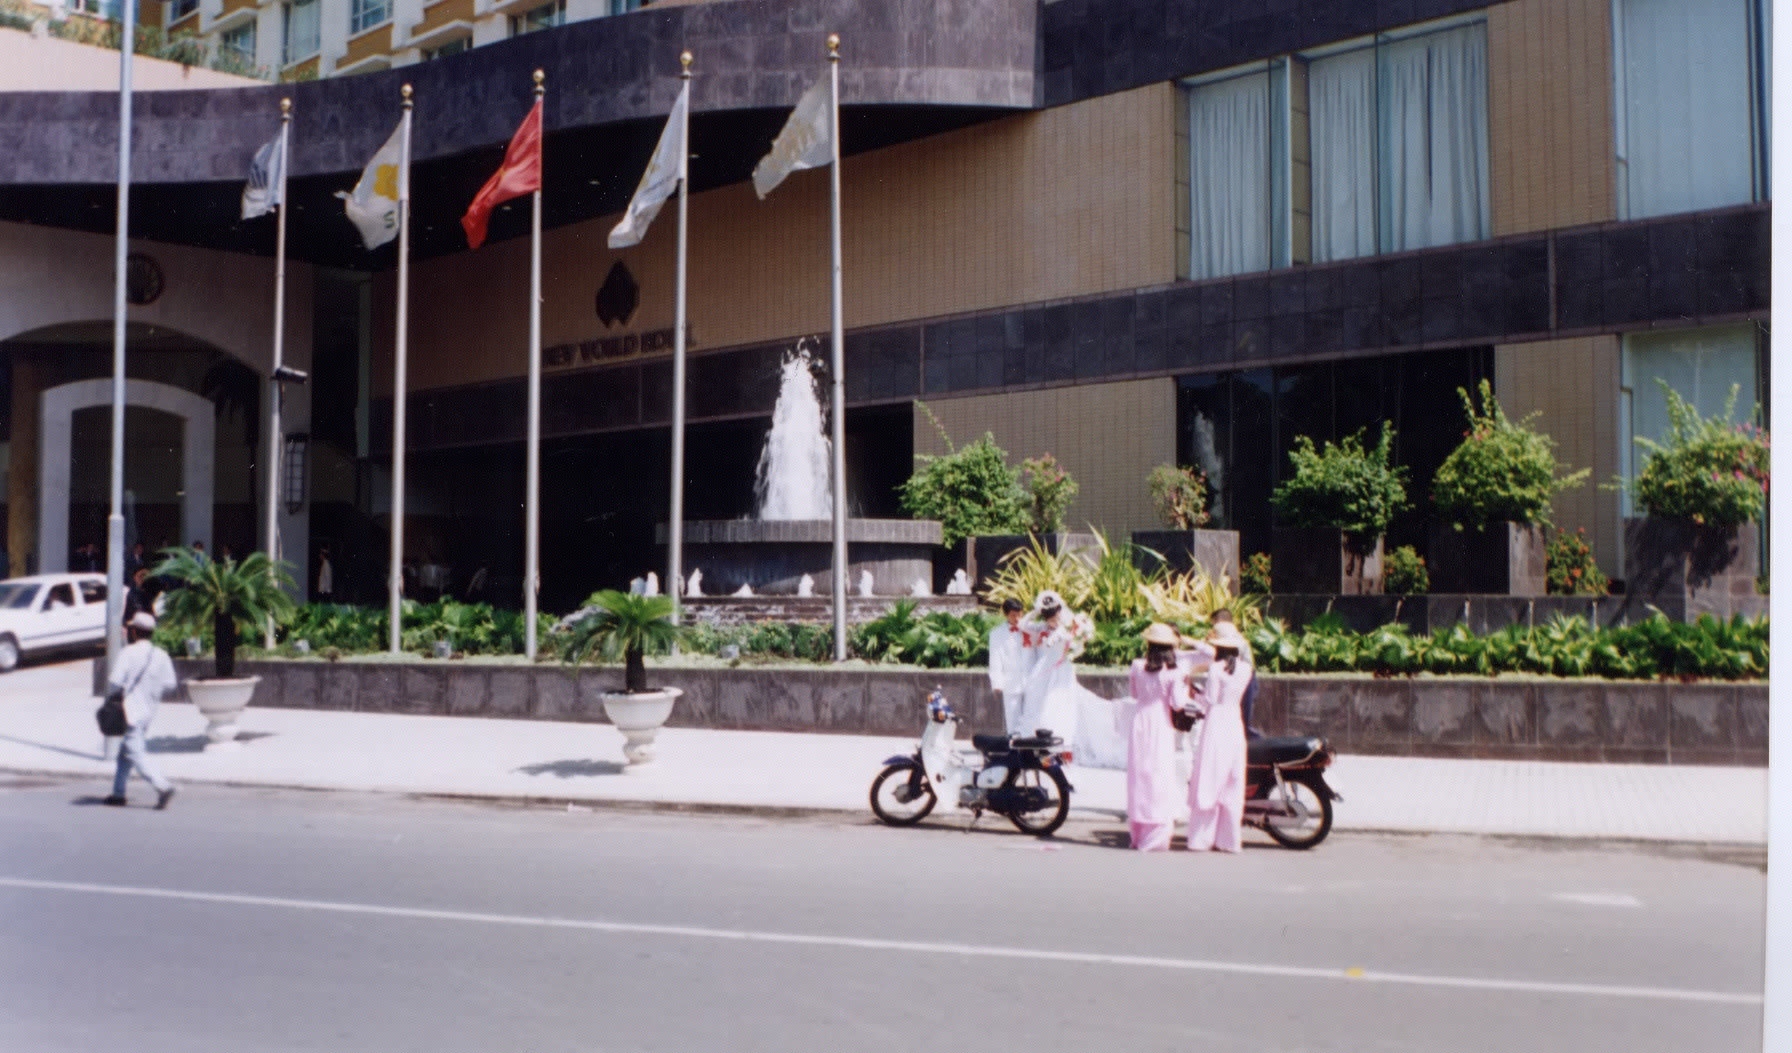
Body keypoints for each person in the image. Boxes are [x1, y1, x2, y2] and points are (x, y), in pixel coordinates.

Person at [1184, 622, 1251, 852]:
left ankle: (1202, 838)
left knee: (1209, 777)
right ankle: (1228, 839)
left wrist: (1195, 693)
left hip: (1216, 722)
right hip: (1234, 720)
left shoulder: (1215, 669)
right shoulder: (1245, 669)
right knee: (1231, 781)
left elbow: (1210, 699)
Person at [1125, 623, 1193, 852]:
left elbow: (1134, 694)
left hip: (1140, 721)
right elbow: (1178, 703)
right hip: (1161, 724)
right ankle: (1155, 834)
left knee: (1140, 776)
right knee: (1159, 776)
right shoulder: (1173, 672)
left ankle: (1138, 831)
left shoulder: (1136, 666)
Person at [104, 612, 177, 810]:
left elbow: (114, 682)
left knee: (136, 753)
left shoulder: (128, 653)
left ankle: (163, 786)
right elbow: (170, 684)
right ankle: (118, 793)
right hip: (149, 712)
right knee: (125, 753)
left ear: (134, 632)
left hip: (130, 712)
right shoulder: (161, 655)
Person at [988, 598, 1030, 731]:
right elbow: (995, 659)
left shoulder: (1030, 629)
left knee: (1032, 717)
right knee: (1013, 718)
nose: (1017, 618)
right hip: (1011, 682)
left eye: (1019, 614)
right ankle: (1014, 746)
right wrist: (997, 683)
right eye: (1013, 615)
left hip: (1031, 681)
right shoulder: (997, 634)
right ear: (1006, 615)